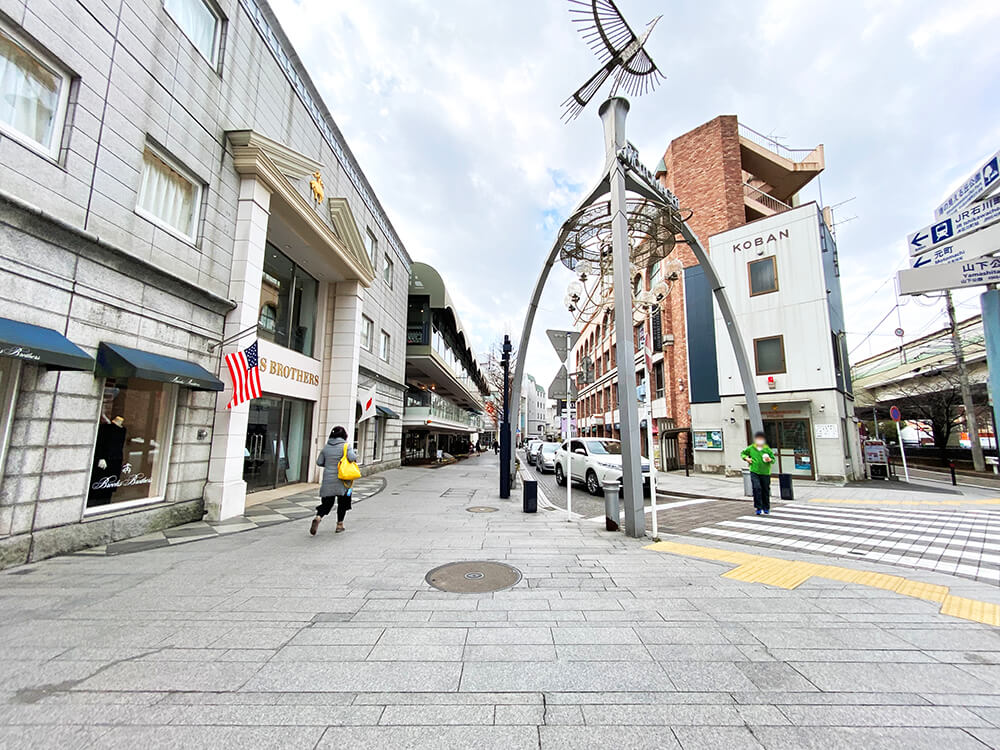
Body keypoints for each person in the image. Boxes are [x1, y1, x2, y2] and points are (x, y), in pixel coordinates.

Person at [311, 426, 356, 535]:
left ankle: (318, 517)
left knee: (327, 503)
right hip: (343, 479)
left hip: (328, 479)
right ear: (344, 435)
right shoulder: (346, 446)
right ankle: (339, 525)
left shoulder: (326, 447)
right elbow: (352, 458)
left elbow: (319, 462)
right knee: (343, 503)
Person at [741, 431, 776, 516]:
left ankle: (766, 507)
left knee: (765, 489)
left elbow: (773, 459)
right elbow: (743, 453)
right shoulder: (751, 448)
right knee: (757, 488)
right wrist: (747, 459)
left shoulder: (767, 449)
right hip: (754, 471)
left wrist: (770, 460)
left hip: (765, 472)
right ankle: (758, 507)